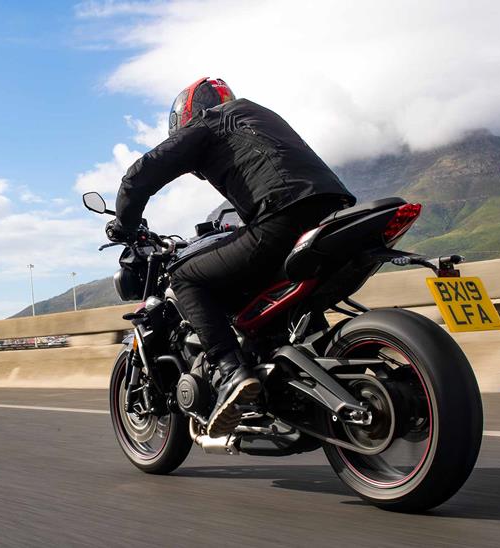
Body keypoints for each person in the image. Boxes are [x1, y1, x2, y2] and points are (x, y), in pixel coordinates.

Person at [105, 77, 356, 437]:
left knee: (185, 276)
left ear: (188, 116)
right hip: (333, 212)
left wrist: (124, 224)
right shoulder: (259, 116)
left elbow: (141, 174)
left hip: (284, 216)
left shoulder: (209, 123)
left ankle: (229, 370)